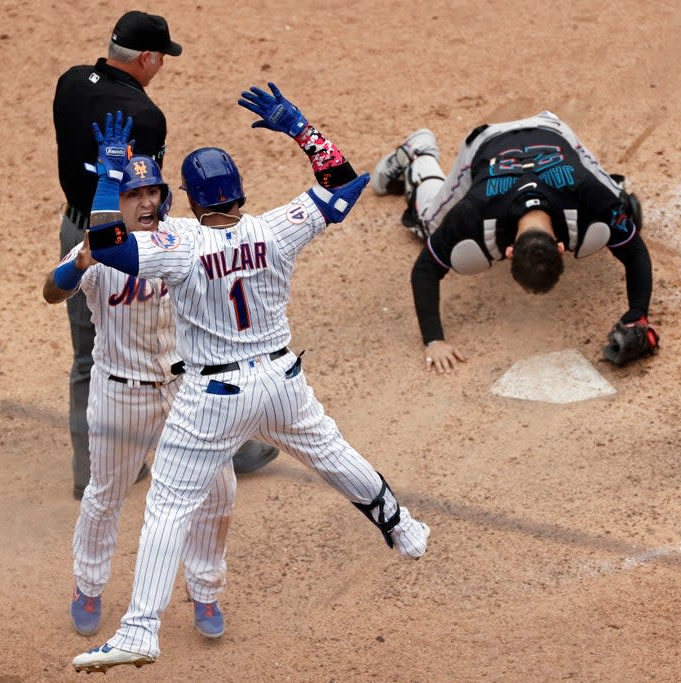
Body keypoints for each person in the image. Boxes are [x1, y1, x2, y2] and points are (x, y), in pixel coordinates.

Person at [70, 84, 431, 674]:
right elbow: (344, 187)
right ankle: (404, 529)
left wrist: (111, 179)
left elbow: (108, 247)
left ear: (186, 197)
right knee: (332, 452)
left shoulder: (178, 243)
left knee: (167, 506)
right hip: (282, 383)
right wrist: (299, 127)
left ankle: (139, 630)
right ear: (238, 191)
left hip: (213, 398)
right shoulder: (276, 227)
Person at [52, 11, 276, 499]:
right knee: (180, 341)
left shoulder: (70, 82)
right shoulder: (146, 117)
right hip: (133, 242)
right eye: (162, 58)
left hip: (76, 227)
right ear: (148, 58)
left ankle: (89, 471)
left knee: (92, 354)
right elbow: (145, 192)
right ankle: (229, 449)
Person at [43, 155, 236, 640]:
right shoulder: (96, 249)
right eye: (133, 194)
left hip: (186, 389)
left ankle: (206, 590)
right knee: (106, 497)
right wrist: (81, 261)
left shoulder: (186, 238)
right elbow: (51, 290)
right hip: (120, 395)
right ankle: (88, 586)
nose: (147, 201)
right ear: (117, 203)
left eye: (152, 191)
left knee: (218, 491)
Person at [370, 111, 659, 374]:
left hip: (553, 132)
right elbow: (425, 269)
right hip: (486, 144)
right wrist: (433, 339)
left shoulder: (585, 192)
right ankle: (419, 153)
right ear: (560, 247)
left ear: (508, 252)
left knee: (622, 210)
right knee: (429, 226)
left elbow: (634, 250)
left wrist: (638, 316)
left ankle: (421, 153)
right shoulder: (473, 209)